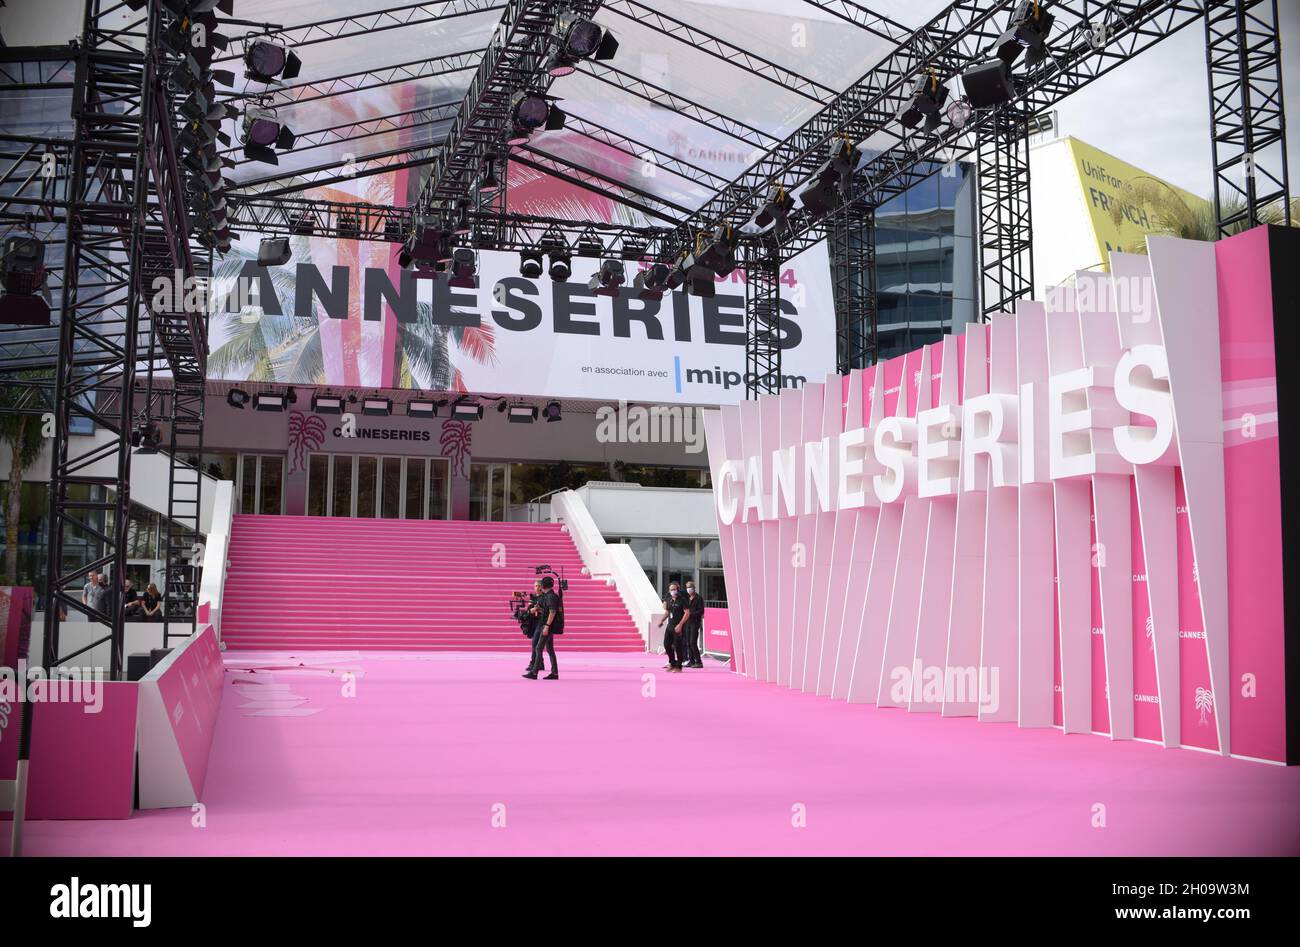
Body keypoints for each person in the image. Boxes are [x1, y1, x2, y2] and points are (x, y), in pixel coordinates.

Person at [523, 576, 561, 680]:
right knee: (549, 649)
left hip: (547, 626)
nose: (539, 587)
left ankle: (534, 672)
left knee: (538, 648)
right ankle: (554, 673)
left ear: (544, 585)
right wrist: (535, 609)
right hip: (547, 625)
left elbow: (552, 612)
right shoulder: (548, 595)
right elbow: (545, 608)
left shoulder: (550, 596)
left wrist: (547, 626)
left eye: (540, 585)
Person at [659, 581, 688, 672]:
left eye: (675, 589)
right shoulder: (669, 600)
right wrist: (662, 620)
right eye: (672, 590)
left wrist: (680, 625)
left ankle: (679, 666)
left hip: (678, 627)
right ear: (669, 590)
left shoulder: (682, 600)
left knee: (678, 646)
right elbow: (667, 612)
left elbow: (687, 613)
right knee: (666, 644)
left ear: (678, 589)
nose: (673, 591)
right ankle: (672, 663)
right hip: (670, 626)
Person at [684, 580, 706, 669]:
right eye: (687, 587)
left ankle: (698, 661)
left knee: (693, 642)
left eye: (690, 587)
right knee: (688, 642)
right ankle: (691, 661)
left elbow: (701, 611)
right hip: (687, 623)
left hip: (695, 622)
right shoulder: (686, 598)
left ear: (694, 588)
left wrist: (691, 614)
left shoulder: (699, 598)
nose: (689, 589)